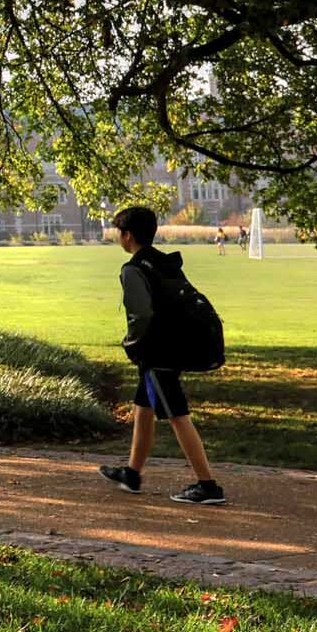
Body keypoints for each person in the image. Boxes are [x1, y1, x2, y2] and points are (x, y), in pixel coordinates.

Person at [97, 206, 224, 506]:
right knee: (143, 407)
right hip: (176, 346)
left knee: (177, 415)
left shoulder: (133, 269)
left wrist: (131, 344)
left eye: (120, 233)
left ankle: (207, 484)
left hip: (159, 354)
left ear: (127, 236)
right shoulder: (165, 262)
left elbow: (140, 315)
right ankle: (132, 472)